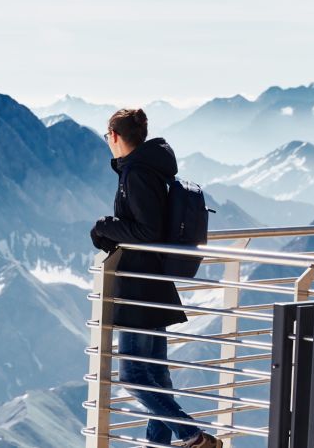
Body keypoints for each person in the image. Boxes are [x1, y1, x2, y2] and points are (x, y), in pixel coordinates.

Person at [90, 108, 221, 448]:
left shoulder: (137, 173)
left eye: (108, 137)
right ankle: (159, 444)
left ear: (115, 136)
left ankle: (193, 436)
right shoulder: (150, 168)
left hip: (139, 285)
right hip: (153, 282)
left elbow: (147, 230)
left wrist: (104, 226)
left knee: (133, 377)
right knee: (157, 377)